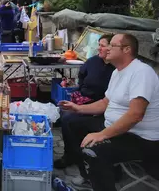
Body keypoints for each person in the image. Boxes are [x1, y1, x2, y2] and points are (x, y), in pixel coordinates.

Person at [59, 34, 159, 191]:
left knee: (93, 151)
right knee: (71, 121)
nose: (107, 48)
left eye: (112, 45)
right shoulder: (117, 72)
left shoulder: (141, 73)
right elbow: (105, 103)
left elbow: (136, 114)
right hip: (115, 127)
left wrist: (102, 134)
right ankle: (89, 176)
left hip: (139, 138)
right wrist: (78, 108)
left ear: (127, 50)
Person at [54, 35, 115, 169]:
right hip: (84, 100)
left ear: (113, 48)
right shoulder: (92, 62)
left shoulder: (116, 69)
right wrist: (81, 97)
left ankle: (78, 156)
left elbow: (108, 100)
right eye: (98, 44)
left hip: (101, 106)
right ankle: (71, 154)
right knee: (64, 114)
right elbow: (81, 78)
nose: (99, 48)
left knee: (69, 118)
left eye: (103, 45)